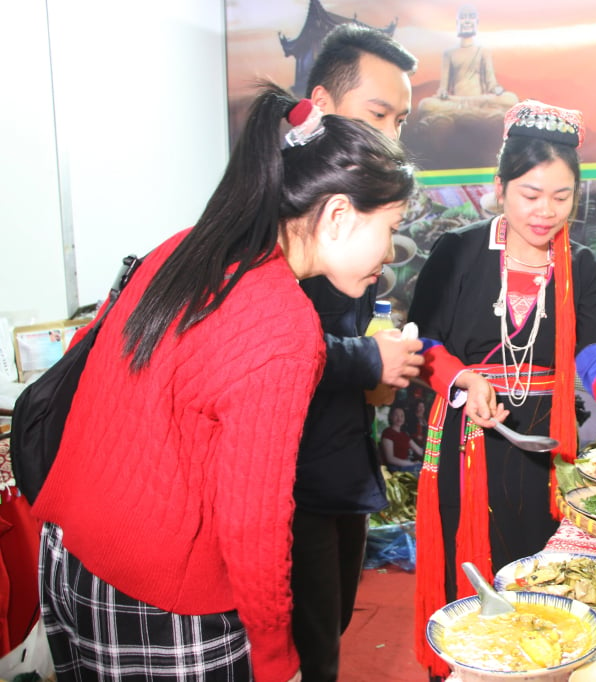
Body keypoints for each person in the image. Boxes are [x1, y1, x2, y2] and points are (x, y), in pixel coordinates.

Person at [30, 83, 417, 681]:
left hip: (71, 560)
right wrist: (274, 656)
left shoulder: (186, 248)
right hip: (162, 594)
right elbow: (253, 520)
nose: (389, 253)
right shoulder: (284, 324)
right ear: (337, 215)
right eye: (389, 227)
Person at [408, 100, 596, 678]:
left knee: (537, 567)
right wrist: (461, 376)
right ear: (499, 186)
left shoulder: (581, 265)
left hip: (541, 443)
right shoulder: (457, 251)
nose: (545, 212)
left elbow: (594, 355)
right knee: (466, 569)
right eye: (530, 195)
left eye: (561, 198)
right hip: (466, 438)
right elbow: (426, 345)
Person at [289, 23, 423, 682]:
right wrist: (368, 360)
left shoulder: (346, 222)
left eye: (400, 118)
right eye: (377, 114)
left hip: (337, 457)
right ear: (318, 106)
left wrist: (377, 344)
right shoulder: (278, 220)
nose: (391, 134)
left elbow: (343, 328)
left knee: (332, 623)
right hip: (291, 484)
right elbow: (270, 342)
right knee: (307, 647)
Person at [416, 4, 518, 121]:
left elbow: (491, 84)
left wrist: (497, 90)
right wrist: (443, 93)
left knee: (511, 99)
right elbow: (443, 87)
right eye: (463, 17)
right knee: (425, 105)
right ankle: (477, 111)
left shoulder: (484, 51)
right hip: (456, 101)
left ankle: (466, 110)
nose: (467, 21)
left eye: (471, 17)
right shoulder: (449, 53)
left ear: (476, 22)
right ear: (457, 22)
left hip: (479, 100)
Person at [379, 405, 424, 473]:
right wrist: (412, 464)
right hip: (394, 468)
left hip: (405, 465)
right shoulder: (388, 433)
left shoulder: (404, 435)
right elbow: (390, 459)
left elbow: (419, 451)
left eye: (402, 416)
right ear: (391, 417)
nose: (399, 418)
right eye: (396, 415)